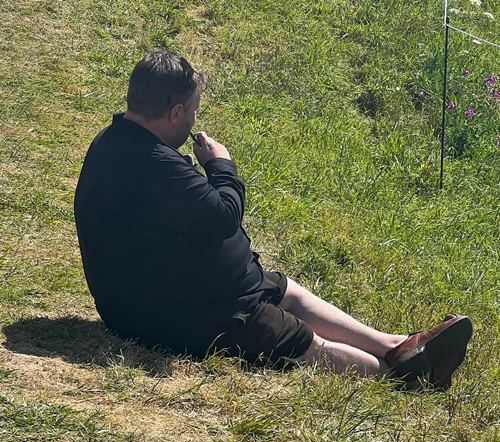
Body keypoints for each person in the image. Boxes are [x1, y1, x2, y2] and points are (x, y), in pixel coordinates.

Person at [74, 51, 472, 389]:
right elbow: (222, 217)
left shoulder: (120, 141)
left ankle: (395, 345)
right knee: (304, 340)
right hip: (180, 312)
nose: (194, 121)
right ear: (176, 112)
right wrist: (222, 167)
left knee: (289, 293)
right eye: (193, 111)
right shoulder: (151, 163)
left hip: (196, 290)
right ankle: (403, 376)